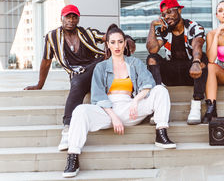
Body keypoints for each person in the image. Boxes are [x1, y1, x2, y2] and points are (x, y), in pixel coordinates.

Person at [63, 24, 175, 178]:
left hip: (130, 108)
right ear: (108, 45)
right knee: (80, 110)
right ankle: (73, 157)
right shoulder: (101, 67)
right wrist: (113, 117)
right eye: (113, 42)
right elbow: (97, 96)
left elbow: (148, 83)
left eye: (120, 42)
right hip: (107, 111)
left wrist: (135, 101)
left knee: (161, 90)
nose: (117, 46)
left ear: (125, 43)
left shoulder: (134, 63)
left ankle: (161, 133)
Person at [24, 4, 135, 151]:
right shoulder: (52, 37)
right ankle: (67, 129)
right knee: (76, 81)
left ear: (78, 19)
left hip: (98, 68)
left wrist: (127, 38)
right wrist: (39, 84)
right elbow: (46, 61)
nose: (71, 20)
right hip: (79, 75)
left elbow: (109, 37)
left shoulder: (87, 33)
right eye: (67, 17)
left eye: (74, 17)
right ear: (61, 18)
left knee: (106, 60)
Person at [146, 0, 207, 125]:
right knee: (152, 58)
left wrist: (196, 62)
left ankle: (196, 105)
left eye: (169, 12)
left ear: (179, 10)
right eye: (163, 14)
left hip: (191, 73)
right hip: (171, 74)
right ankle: (159, 104)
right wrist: (152, 26)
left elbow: (197, 46)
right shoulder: (164, 30)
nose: (167, 17)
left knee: (202, 58)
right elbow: (153, 49)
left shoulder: (194, 27)